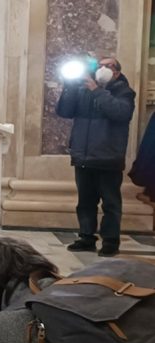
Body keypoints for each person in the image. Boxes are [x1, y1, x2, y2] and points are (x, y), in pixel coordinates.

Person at [56, 57, 135, 257]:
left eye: (107, 66)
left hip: (109, 157)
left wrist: (96, 90)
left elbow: (120, 113)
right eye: (99, 65)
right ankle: (86, 237)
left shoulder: (124, 92)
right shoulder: (83, 90)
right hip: (83, 156)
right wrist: (70, 86)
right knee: (85, 201)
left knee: (110, 202)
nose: (102, 69)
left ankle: (110, 241)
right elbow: (64, 111)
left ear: (116, 72)